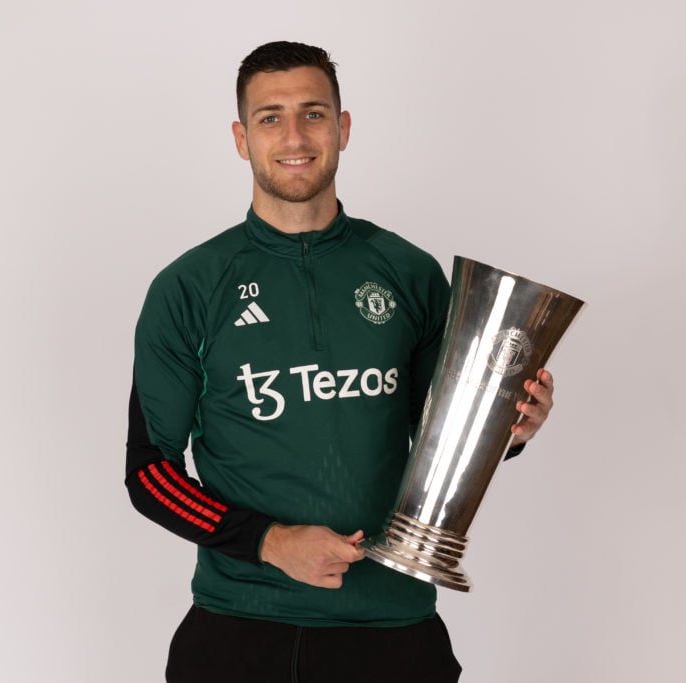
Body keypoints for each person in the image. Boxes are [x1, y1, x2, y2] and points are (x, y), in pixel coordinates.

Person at [126, 40, 557, 683]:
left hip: (393, 628)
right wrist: (271, 543)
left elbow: (444, 435)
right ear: (242, 139)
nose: (294, 135)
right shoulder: (188, 287)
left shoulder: (408, 273)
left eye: (314, 113)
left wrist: (509, 429)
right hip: (241, 628)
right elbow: (151, 474)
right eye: (270, 117)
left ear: (343, 127)